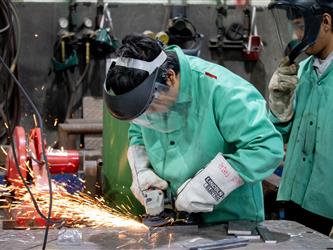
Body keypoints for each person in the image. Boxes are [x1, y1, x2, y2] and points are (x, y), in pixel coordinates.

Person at [103, 33, 284, 224]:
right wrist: (142, 170)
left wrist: (212, 184)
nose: (149, 116)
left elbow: (267, 148)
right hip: (175, 221)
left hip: (228, 223)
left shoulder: (224, 90)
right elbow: (138, 133)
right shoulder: (148, 94)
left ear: (170, 77)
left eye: (152, 108)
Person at [268, 0, 333, 235]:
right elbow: (278, 135)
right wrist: (279, 102)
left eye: (301, 26)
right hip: (294, 200)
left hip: (327, 206)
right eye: (293, 27)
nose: (297, 35)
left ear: (326, 21)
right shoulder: (302, 71)